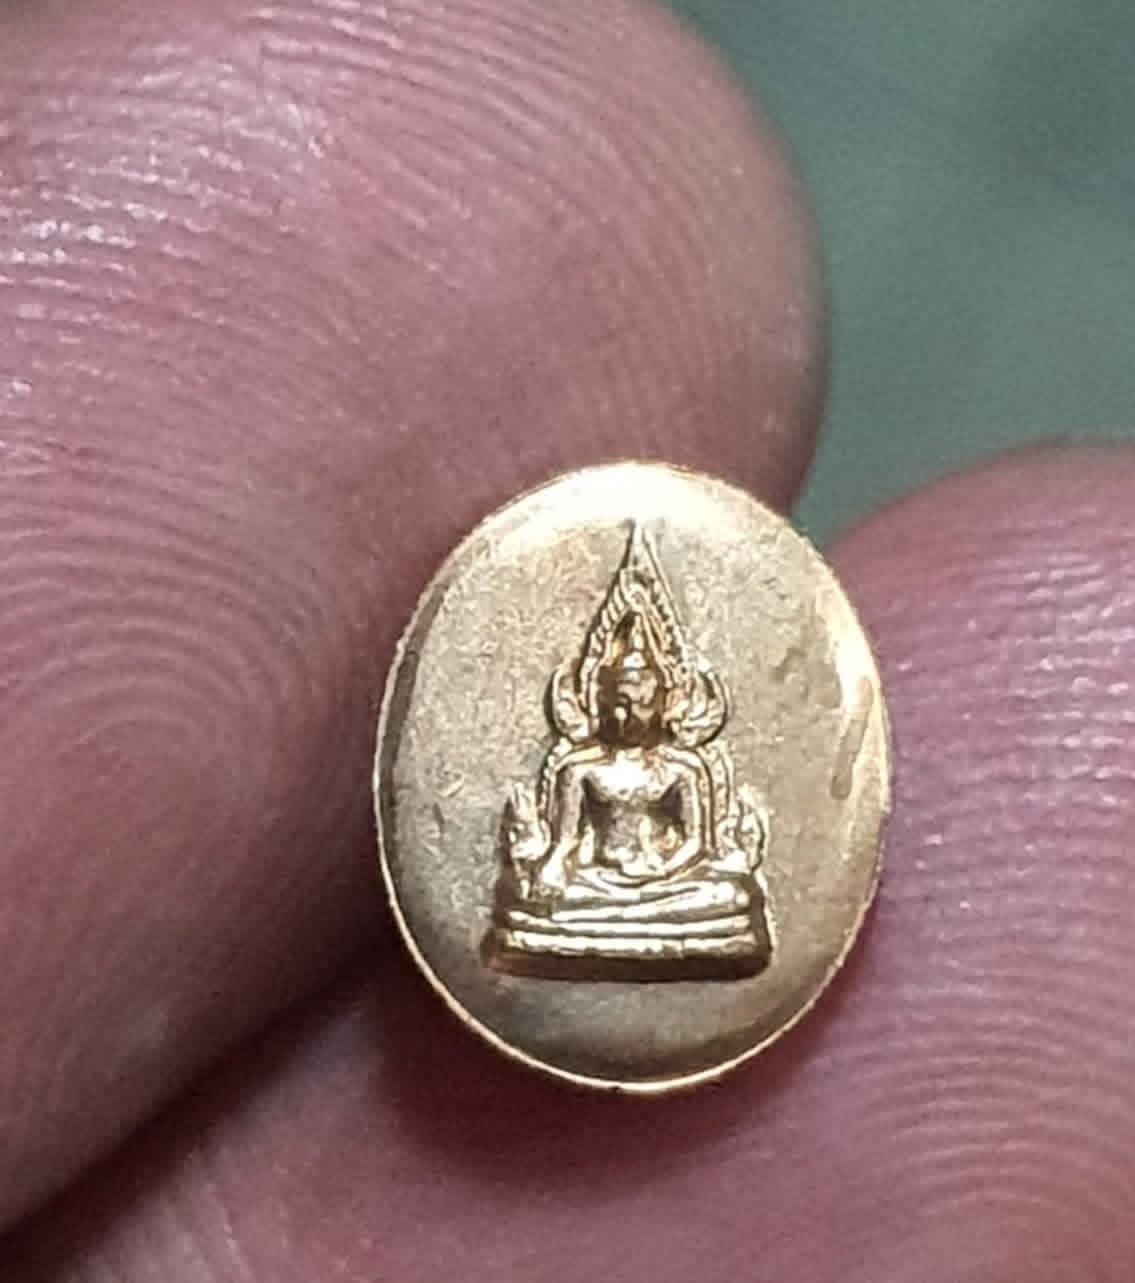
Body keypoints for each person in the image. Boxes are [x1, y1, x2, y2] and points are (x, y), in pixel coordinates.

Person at [0, 0, 1131, 1278]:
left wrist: (709, 859)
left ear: (674, 689)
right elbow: (550, 862)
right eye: (620, 684)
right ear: (594, 689)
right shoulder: (584, 762)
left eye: (652, 684)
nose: (635, 703)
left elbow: (707, 860)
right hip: (582, 911)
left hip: (674, 912)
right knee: (552, 898)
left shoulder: (684, 761)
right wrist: (550, 857)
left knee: (718, 893)